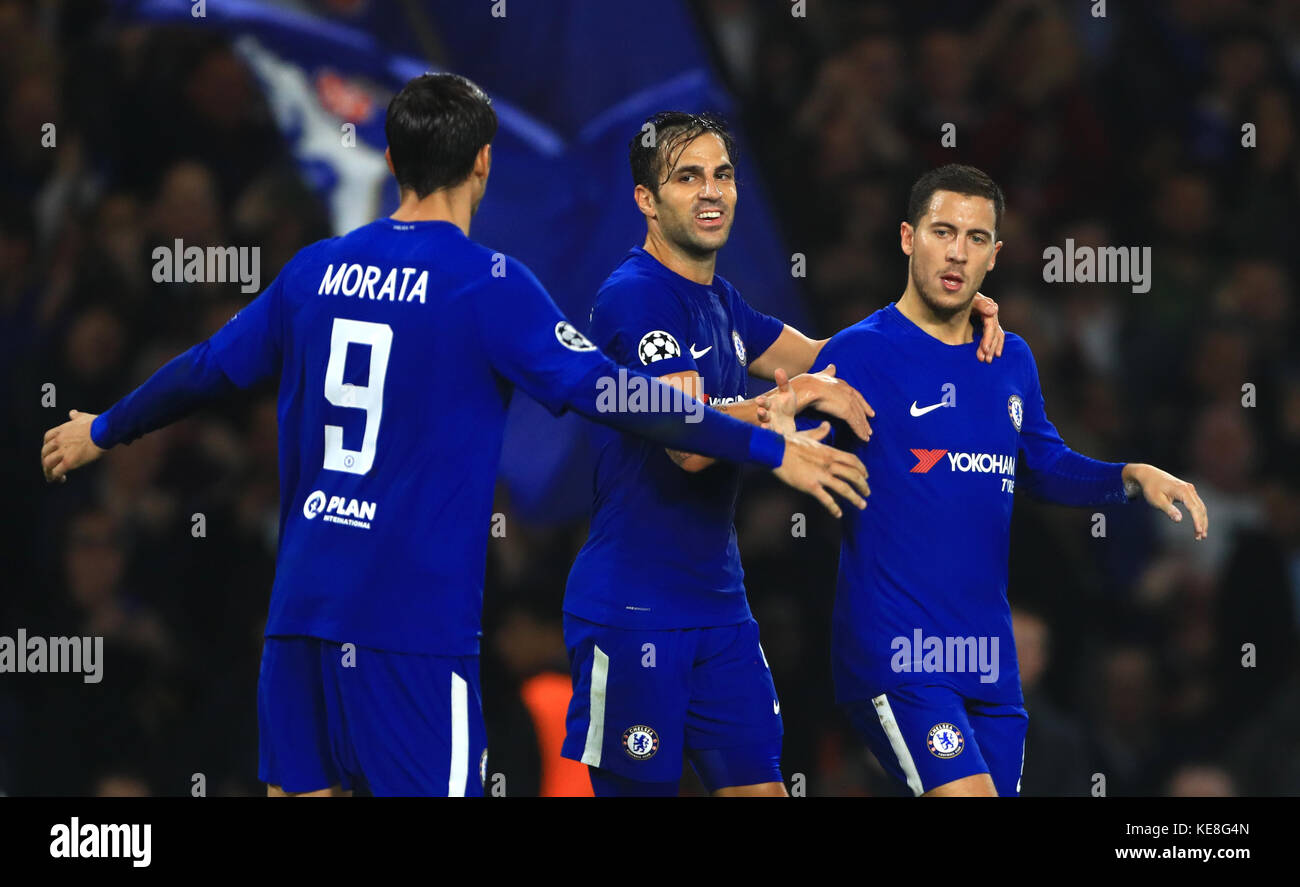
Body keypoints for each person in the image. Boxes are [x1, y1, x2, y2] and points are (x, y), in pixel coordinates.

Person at [39, 75, 868, 798]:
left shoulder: (313, 271)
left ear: (392, 163)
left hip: (299, 616)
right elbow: (616, 395)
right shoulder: (489, 285)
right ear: (483, 163)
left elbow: (207, 368)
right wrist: (768, 442)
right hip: (411, 627)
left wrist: (104, 428)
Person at [559, 113, 1003, 797]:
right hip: (634, 612)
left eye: (723, 174)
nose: (712, 192)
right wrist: (784, 410)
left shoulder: (721, 301)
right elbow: (686, 443)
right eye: (687, 178)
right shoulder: (637, 297)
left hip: (720, 609)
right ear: (647, 200)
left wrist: (946, 311)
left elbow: (836, 362)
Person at [810, 163, 1208, 796]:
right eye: (943, 232)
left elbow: (1043, 467)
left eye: (975, 239)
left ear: (994, 255)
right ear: (908, 238)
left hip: (989, 663)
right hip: (901, 652)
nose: (957, 253)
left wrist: (1129, 476)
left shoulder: (1010, 357)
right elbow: (795, 454)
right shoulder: (858, 354)